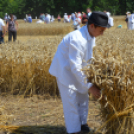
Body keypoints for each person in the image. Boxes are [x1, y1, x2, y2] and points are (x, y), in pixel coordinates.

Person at [49, 11, 110, 134]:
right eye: (101, 30)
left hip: (79, 72)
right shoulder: (77, 39)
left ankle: (82, 124)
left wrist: (94, 77)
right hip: (65, 72)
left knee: (83, 98)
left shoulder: (91, 36)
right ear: (92, 26)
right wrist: (90, 86)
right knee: (71, 102)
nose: (102, 34)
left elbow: (88, 58)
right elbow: (75, 67)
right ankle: (74, 130)